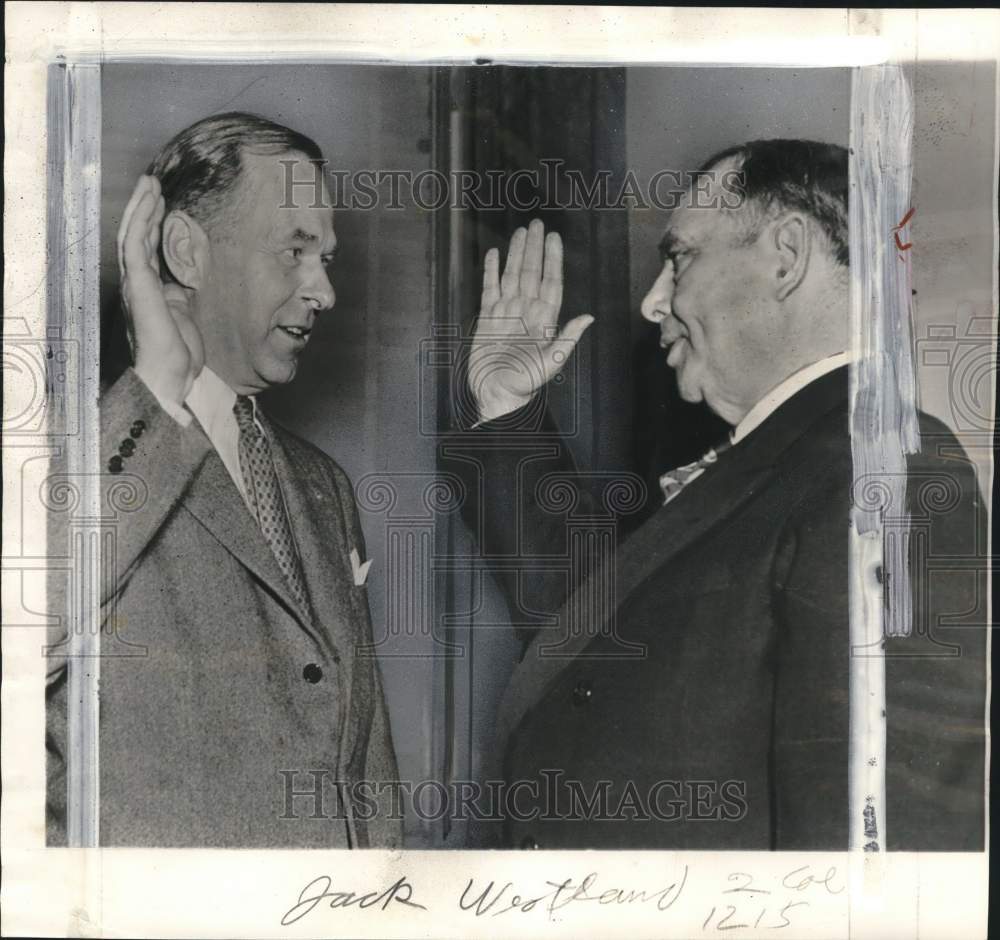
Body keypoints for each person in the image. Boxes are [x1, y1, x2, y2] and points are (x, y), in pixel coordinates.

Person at [452, 139, 986, 850]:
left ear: (786, 256)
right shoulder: (790, 456)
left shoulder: (888, 468)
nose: (653, 303)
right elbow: (597, 639)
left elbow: (882, 847)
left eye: (680, 258)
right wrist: (508, 408)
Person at [46, 112, 400, 847]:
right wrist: (157, 385)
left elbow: (366, 773)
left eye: (326, 259)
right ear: (187, 251)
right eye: (295, 251)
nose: (324, 292)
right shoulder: (62, 459)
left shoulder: (325, 487)